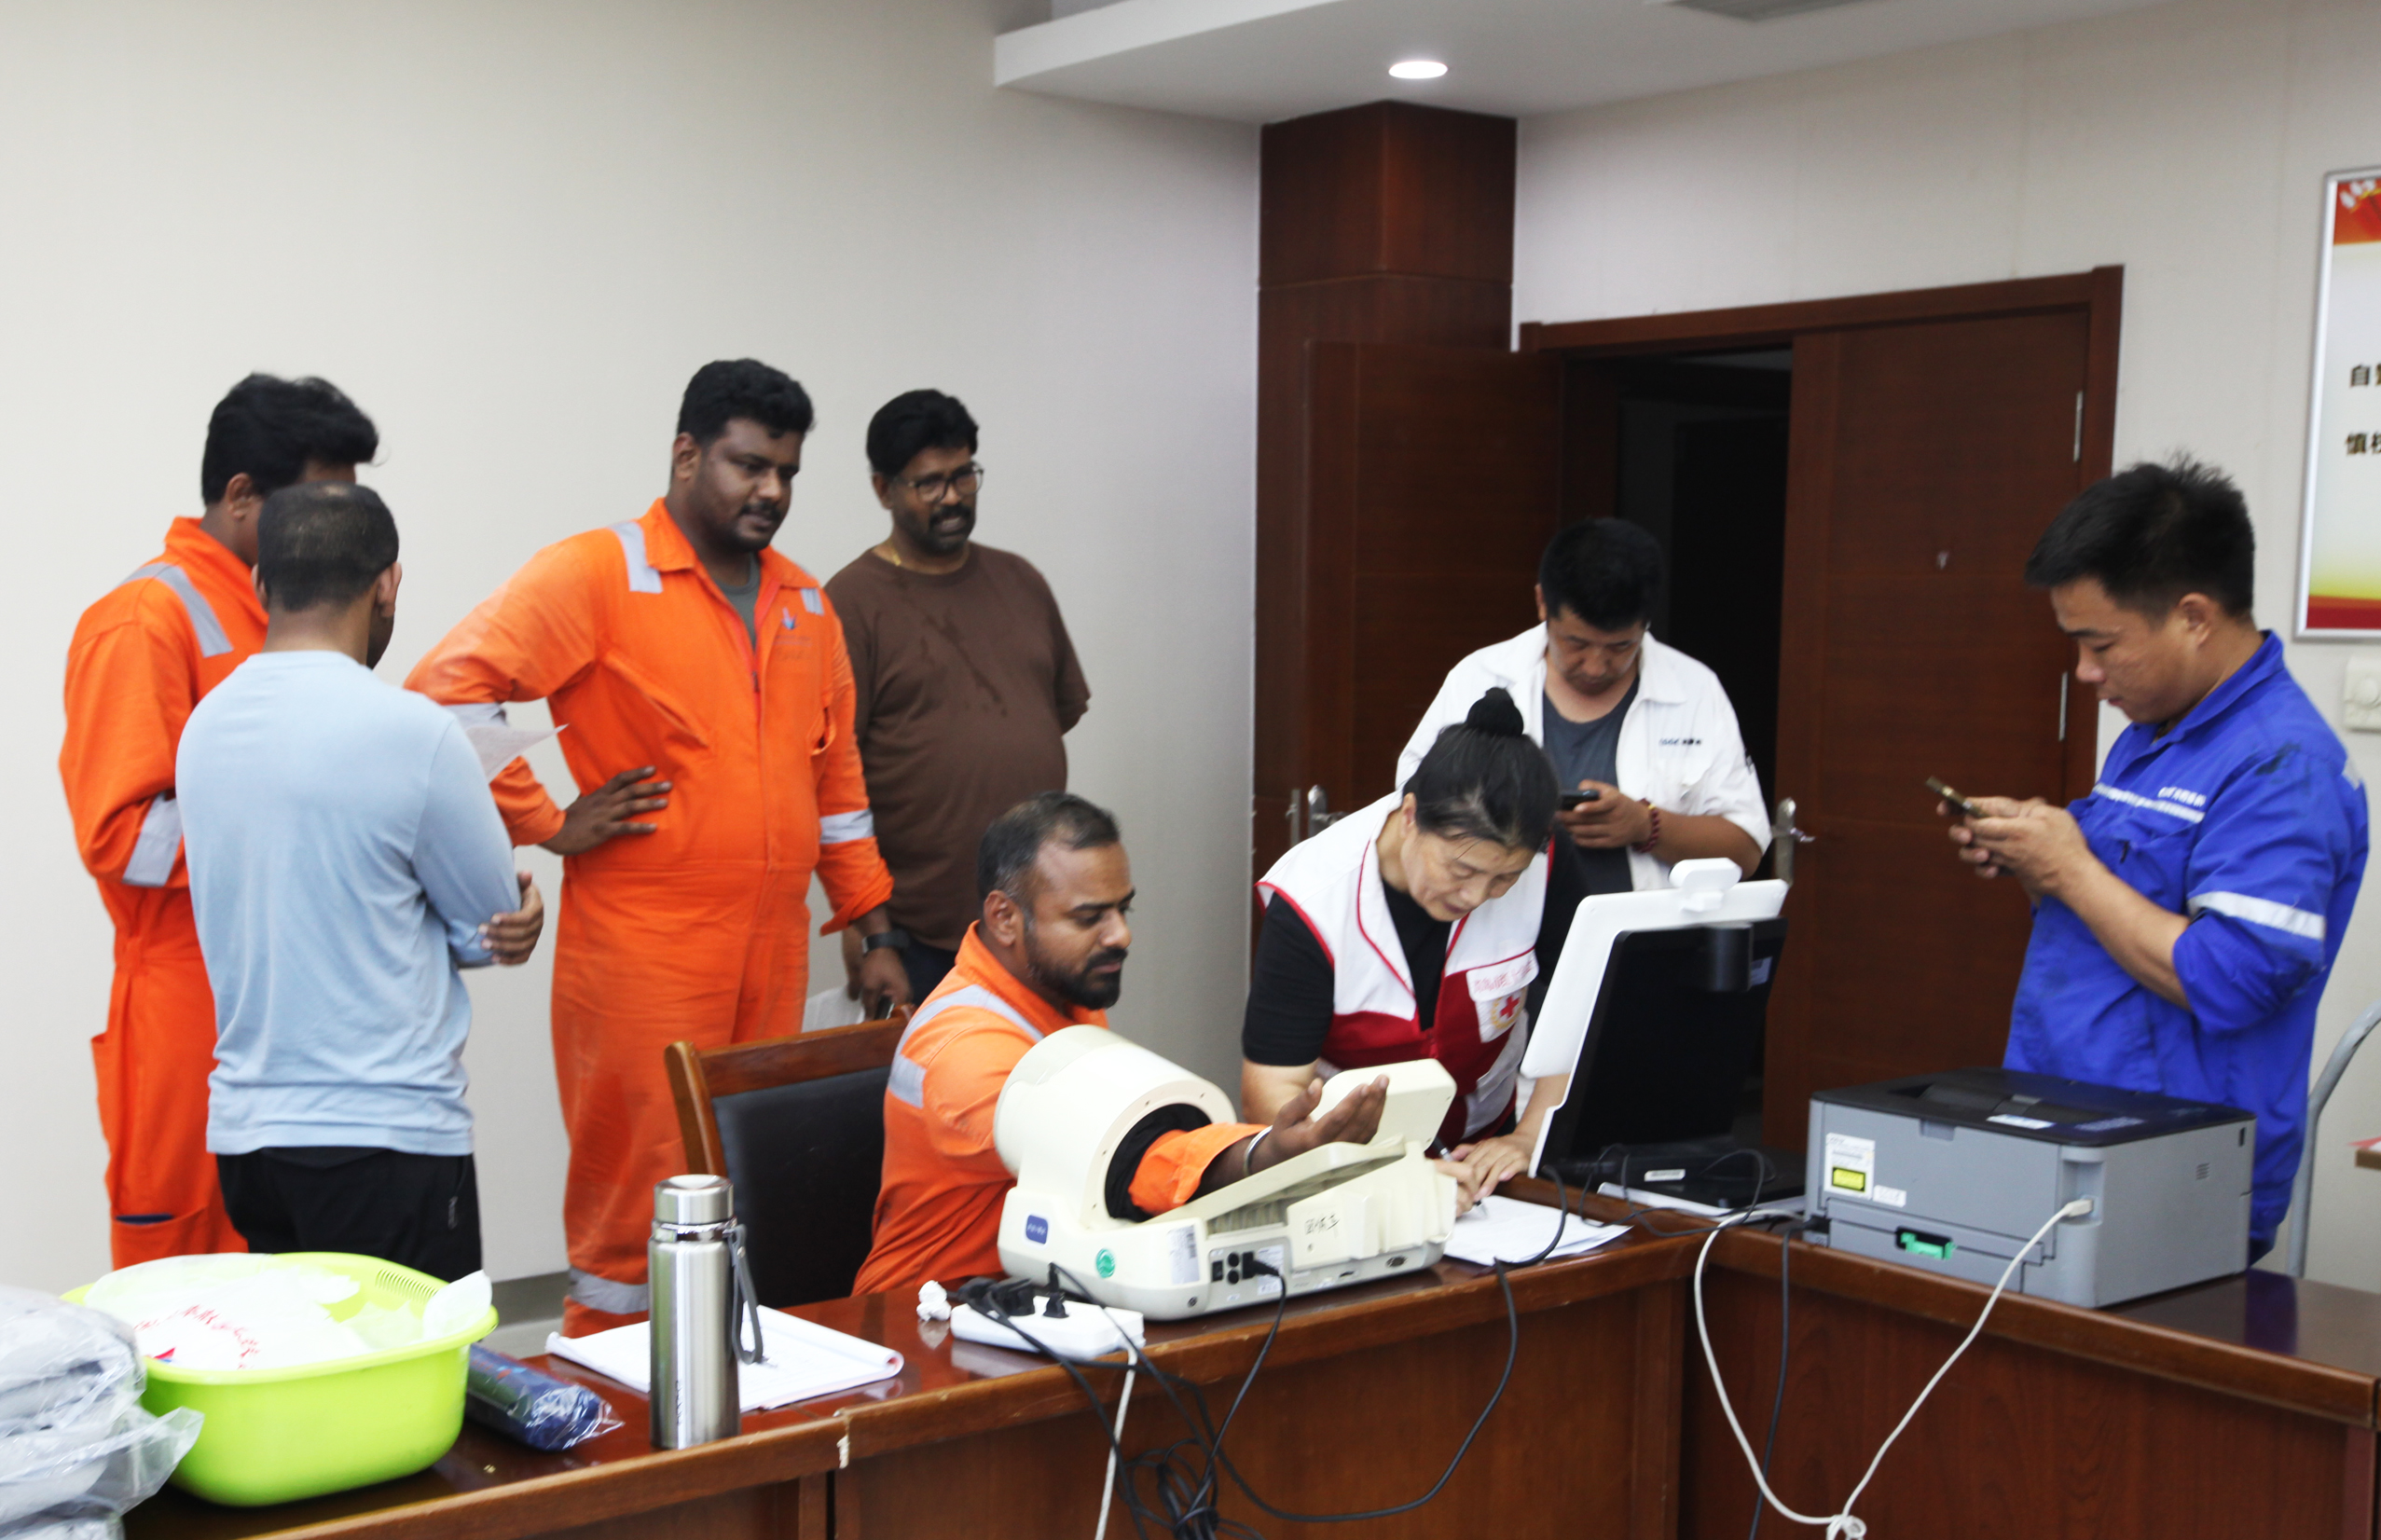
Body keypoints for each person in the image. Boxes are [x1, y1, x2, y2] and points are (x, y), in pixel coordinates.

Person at [406, 360, 910, 1330]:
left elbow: (838, 788)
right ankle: (614, 1387)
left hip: (771, 950)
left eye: (788, 472)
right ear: (686, 455)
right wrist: (547, 821)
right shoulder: (600, 572)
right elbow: (446, 691)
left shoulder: (806, 603)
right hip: (645, 949)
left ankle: (729, 1383)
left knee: (754, 1184)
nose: (771, 491)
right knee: (640, 1194)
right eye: (748, 465)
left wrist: (870, 921)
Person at [1948, 459, 2369, 1260]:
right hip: (2066, 1121)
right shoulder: (2155, 731)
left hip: (2170, 1167)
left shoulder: (2283, 768)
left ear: (2193, 617)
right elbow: (2114, 912)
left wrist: (2071, 868)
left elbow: (2231, 978)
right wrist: (2034, 860)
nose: (2086, 673)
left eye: (2101, 645)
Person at [176, 483, 544, 1280]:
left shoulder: (203, 729)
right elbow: (490, 926)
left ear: (261, 583)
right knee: (417, 1362)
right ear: (387, 585)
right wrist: (513, 915)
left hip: (250, 1139)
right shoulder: (415, 733)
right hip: (386, 1137)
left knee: (301, 1355)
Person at [60, 374, 379, 1268]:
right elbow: (121, 836)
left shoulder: (291, 611)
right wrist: (293, 833)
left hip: (302, 998)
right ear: (242, 496)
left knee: (301, 1272)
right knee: (191, 1278)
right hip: (189, 1001)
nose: (341, 530)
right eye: (321, 505)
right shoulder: (143, 620)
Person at [856, 793, 1393, 1296]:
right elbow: (1122, 1158)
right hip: (928, 1317)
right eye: (1089, 918)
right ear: (1004, 918)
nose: (1120, 935)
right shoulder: (962, 1049)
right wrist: (1265, 1153)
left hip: (1041, 1293)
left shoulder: (1061, 992)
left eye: (1123, 910)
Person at [1245, 692, 1594, 1199]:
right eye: (1462, 870)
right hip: (1345, 1165)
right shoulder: (1313, 900)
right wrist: (1383, 1175)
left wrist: (1530, 1136)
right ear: (1410, 815)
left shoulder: (1546, 863)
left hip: (1487, 1154)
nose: (1477, 896)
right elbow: (1271, 1098)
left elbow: (1582, 1009)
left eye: (1505, 879)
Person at [826, 390, 1091, 1005]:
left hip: (1036, 923)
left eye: (963, 475)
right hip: (919, 936)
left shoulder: (1020, 580)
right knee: (937, 1073)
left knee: (1044, 1069)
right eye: (928, 483)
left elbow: (1045, 719)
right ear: (883, 489)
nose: (951, 497)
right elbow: (833, 784)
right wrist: (871, 931)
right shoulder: (852, 603)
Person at [1395, 519, 1767, 892]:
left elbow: (1746, 850)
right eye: (1576, 643)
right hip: (1503, 923)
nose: (1595, 667)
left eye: (1621, 646)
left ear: (1646, 622)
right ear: (1542, 603)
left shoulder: (1694, 688)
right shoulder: (1479, 677)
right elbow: (1409, 811)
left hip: (1644, 927)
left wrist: (1646, 826)